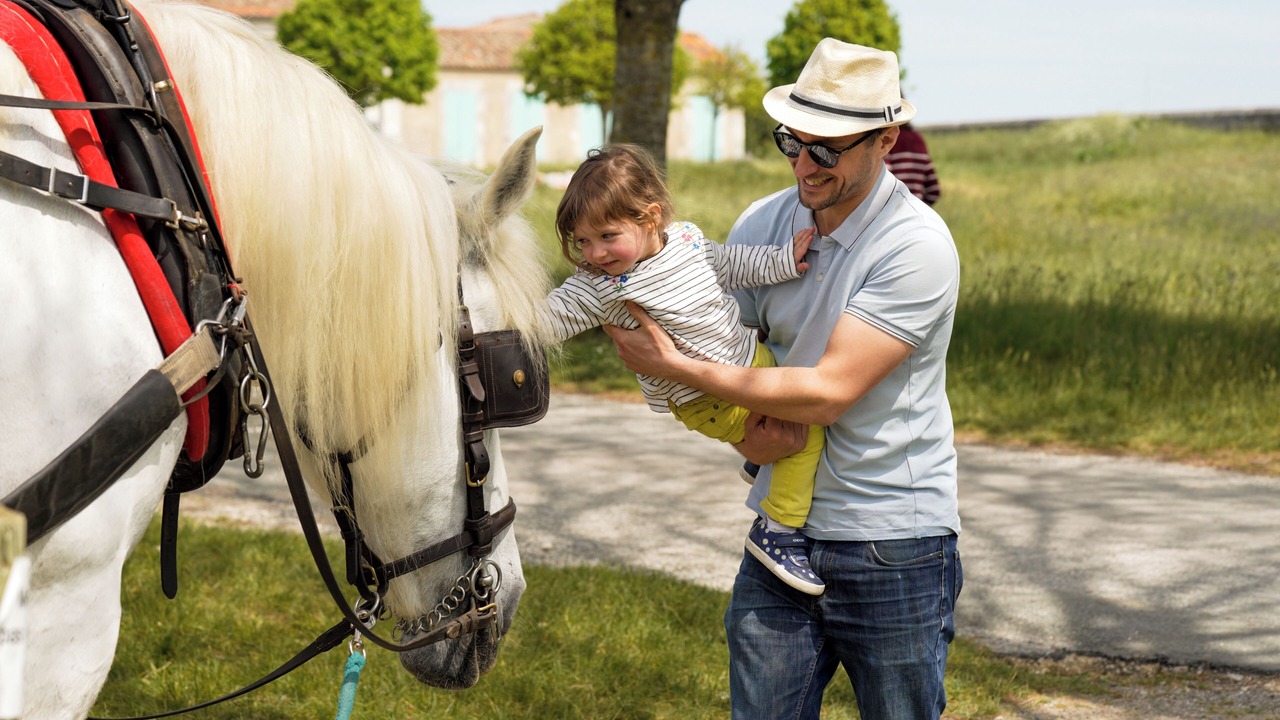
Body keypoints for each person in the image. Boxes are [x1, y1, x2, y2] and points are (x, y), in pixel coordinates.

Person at [601, 39, 962, 720]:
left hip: (894, 541)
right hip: (780, 533)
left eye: (826, 148)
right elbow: (725, 360)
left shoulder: (916, 247)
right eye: (791, 140)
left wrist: (670, 368)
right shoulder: (761, 224)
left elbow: (827, 393)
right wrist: (745, 446)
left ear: (884, 141)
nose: (803, 162)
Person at [541, 144, 828, 594]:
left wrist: (782, 261)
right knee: (807, 432)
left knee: (796, 386)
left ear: (651, 217)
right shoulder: (598, 287)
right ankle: (779, 530)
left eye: (607, 236)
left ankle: (759, 457)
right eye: (582, 242)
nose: (595, 253)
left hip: (753, 363)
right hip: (706, 397)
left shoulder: (689, 241)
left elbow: (731, 265)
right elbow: (545, 320)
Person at [884, 118, 942, 205]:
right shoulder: (918, 139)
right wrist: (920, 208)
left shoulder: (889, 140)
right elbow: (934, 190)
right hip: (915, 207)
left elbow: (884, 178)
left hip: (894, 208)